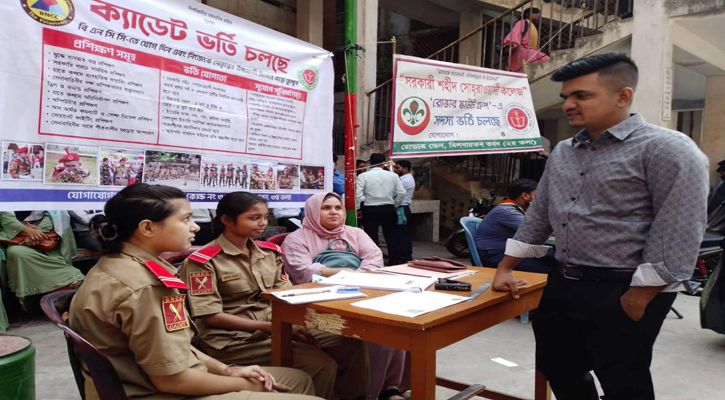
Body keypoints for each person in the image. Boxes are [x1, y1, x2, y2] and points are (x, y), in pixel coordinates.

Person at [492, 53, 709, 400]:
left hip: (626, 286)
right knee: (559, 367)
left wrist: (639, 297)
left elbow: (680, 225)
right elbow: (539, 213)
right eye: (565, 97)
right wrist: (506, 267)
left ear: (623, 96)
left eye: (582, 95)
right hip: (564, 280)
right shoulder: (563, 151)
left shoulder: (667, 149)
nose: (569, 105)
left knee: (623, 380)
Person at [69, 184, 319, 400]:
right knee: (294, 382)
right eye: (185, 219)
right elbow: (171, 380)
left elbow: (177, 348)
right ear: (147, 228)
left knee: (298, 378)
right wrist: (242, 383)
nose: (195, 228)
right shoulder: (147, 286)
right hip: (158, 392)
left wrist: (227, 371)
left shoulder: (120, 266)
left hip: (163, 376)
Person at [180, 192, 369, 399]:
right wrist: (274, 327)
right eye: (254, 218)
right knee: (320, 364)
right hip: (234, 339)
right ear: (226, 220)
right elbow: (210, 316)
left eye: (264, 216)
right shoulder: (203, 262)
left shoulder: (269, 253)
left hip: (278, 327)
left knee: (349, 343)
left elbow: (288, 294)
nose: (262, 223)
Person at [282, 192, 409, 400]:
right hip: (318, 301)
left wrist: (344, 276)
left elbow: (374, 260)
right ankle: (366, 392)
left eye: (337, 207)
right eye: (326, 208)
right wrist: (347, 275)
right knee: (375, 332)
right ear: (313, 211)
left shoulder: (355, 233)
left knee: (398, 324)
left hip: (361, 293)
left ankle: (389, 387)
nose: (333, 212)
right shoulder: (297, 239)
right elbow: (302, 272)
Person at [0, 211, 84, 306]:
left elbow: (54, 215)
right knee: (16, 252)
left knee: (18, 252)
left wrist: (36, 234)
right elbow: (5, 218)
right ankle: (31, 303)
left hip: (47, 243)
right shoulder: (6, 199)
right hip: (13, 239)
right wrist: (26, 230)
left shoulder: (44, 198)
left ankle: (67, 282)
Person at [474, 179, 552, 273]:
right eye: (537, 194)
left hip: (507, 251)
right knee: (545, 269)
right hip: (493, 255)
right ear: (525, 195)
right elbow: (536, 230)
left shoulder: (517, 208)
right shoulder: (507, 211)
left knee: (553, 260)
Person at [356, 153, 406, 265]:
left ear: (370, 163)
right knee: (391, 236)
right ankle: (394, 261)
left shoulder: (363, 176)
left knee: (371, 236)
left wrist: (358, 208)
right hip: (388, 208)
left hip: (369, 209)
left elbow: (357, 194)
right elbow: (402, 192)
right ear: (384, 163)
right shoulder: (393, 176)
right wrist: (395, 204)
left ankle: (374, 261)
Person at [503, 7, 550, 73]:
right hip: (521, 49)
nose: (539, 15)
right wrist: (514, 43)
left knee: (546, 60)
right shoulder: (522, 22)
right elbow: (515, 32)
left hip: (529, 50)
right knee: (545, 60)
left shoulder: (530, 24)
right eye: (536, 13)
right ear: (528, 14)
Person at [392, 160, 415, 263]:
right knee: (400, 233)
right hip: (401, 208)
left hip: (401, 209)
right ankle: (404, 255)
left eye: (397, 168)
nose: (395, 170)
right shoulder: (403, 178)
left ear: (405, 169)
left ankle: (404, 257)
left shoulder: (405, 180)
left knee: (402, 234)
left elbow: (394, 193)